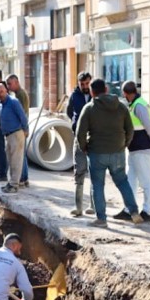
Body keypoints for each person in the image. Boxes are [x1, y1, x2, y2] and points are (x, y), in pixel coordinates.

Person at [75, 78, 144, 227]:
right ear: (106, 89)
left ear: (92, 92)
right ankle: (134, 212)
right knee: (122, 181)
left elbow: (80, 133)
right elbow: (130, 130)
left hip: (97, 153)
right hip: (117, 152)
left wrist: (84, 147)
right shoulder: (121, 107)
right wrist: (124, 144)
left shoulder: (89, 108)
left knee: (98, 185)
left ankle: (101, 219)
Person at [122, 81, 150, 223]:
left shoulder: (138, 105)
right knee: (131, 181)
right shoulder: (135, 104)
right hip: (135, 148)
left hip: (142, 148)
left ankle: (147, 211)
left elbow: (148, 124)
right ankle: (128, 210)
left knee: (145, 181)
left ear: (125, 94)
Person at [66, 72, 93, 217]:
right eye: (82, 84)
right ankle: (78, 207)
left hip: (94, 138)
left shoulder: (96, 96)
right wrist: (76, 125)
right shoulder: (74, 95)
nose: (84, 86)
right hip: (78, 138)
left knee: (94, 172)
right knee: (79, 171)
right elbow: (69, 112)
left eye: (87, 83)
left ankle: (93, 206)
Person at [0, 83, 30, 192]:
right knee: (10, 160)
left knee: (16, 160)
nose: (0, 94)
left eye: (2, 91)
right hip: (8, 135)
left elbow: (22, 116)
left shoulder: (13, 102)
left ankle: (15, 185)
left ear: (6, 91)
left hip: (16, 133)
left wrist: (26, 129)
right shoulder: (0, 104)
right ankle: (11, 182)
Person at [6, 74, 31, 186]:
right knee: (21, 154)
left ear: (16, 82)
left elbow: (22, 113)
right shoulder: (17, 95)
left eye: (9, 84)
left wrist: (24, 128)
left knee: (20, 155)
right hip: (20, 127)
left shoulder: (20, 95)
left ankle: (22, 178)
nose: (8, 86)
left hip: (19, 129)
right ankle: (23, 178)